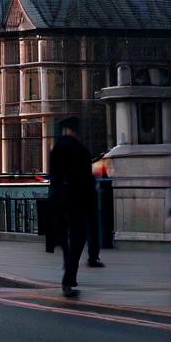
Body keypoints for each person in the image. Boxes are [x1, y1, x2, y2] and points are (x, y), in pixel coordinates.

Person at [49, 117, 96, 298]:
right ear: (75, 130)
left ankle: (68, 267)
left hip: (59, 200)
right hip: (77, 200)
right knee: (78, 238)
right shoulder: (82, 151)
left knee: (64, 239)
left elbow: (53, 176)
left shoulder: (56, 149)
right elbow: (88, 180)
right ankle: (69, 276)